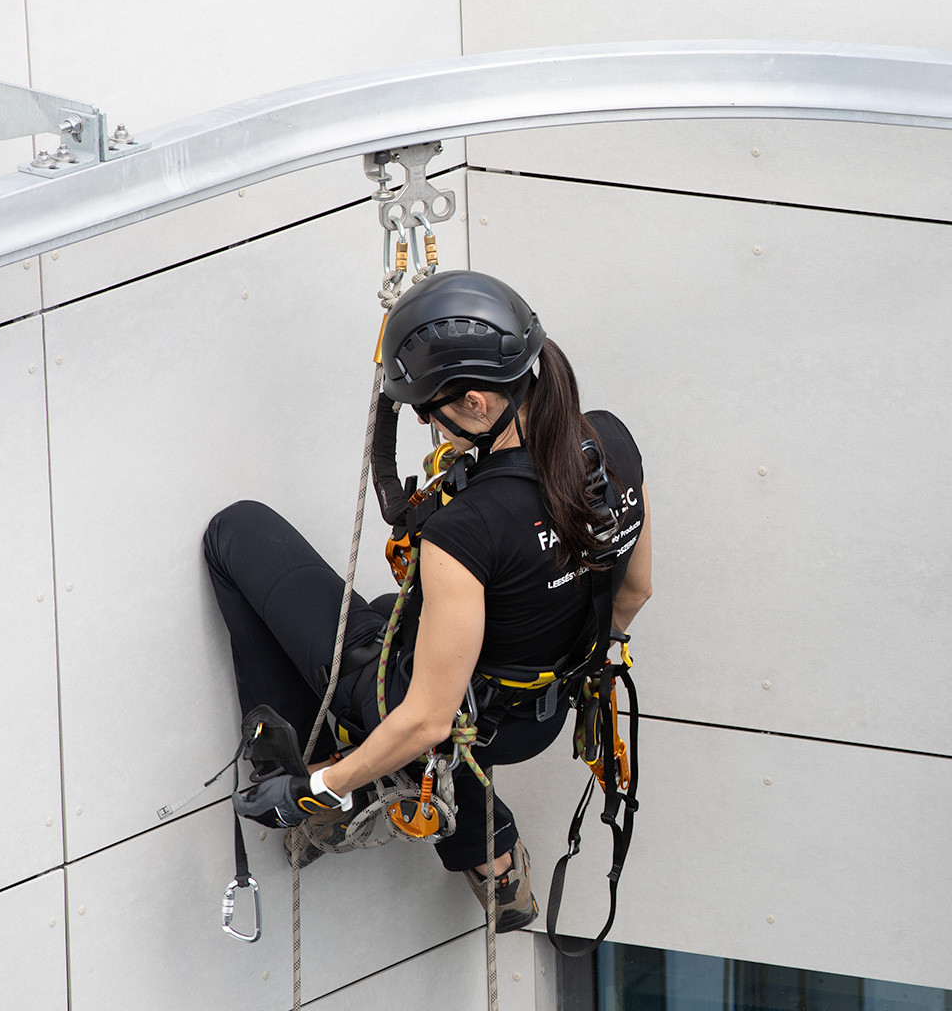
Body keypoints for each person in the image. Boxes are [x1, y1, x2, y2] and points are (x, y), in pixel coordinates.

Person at [204, 270, 651, 932]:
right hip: (543, 712)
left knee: (237, 531)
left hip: (462, 721)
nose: (423, 424)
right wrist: (543, 633)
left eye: (427, 410)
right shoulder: (608, 443)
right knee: (410, 625)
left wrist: (315, 792)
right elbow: (634, 591)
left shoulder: (466, 532)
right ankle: (490, 857)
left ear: (475, 402)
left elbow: (428, 720)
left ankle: (316, 753)